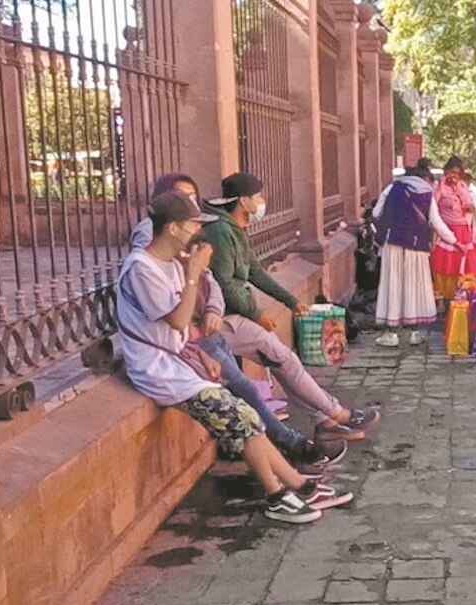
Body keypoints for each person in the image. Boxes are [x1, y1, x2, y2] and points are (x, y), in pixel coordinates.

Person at [117, 192, 352, 524]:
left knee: (246, 413)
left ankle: (298, 486)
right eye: (191, 226)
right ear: (171, 229)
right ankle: (276, 496)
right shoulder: (143, 268)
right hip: (159, 372)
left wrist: (199, 350)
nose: (196, 233)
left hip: (181, 364)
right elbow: (178, 320)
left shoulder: (170, 265)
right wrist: (194, 273)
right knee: (240, 418)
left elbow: (179, 330)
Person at [134, 173, 339, 467]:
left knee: (255, 380)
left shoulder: (199, 232)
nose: (190, 205)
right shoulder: (151, 245)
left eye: (192, 197)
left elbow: (213, 282)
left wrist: (213, 309)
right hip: (181, 343)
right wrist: (203, 289)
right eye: (181, 198)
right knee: (241, 391)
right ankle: (291, 448)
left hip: (207, 326)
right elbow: (180, 310)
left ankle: (311, 435)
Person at [203, 172, 381, 445]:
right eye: (258, 196)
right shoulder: (220, 232)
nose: (262, 202)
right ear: (243, 201)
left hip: (234, 315)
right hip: (220, 320)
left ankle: (325, 421)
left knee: (283, 363)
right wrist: (257, 314)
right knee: (283, 358)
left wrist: (290, 301)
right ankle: (338, 414)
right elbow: (225, 284)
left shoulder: (235, 230)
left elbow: (255, 272)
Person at [373, 162, 455, 347]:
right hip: (417, 246)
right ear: (424, 178)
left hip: (392, 242)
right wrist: (454, 241)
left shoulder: (392, 188)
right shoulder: (427, 195)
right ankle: (414, 333)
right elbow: (436, 222)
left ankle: (392, 334)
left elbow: (377, 212)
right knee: (414, 286)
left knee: (392, 284)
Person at [430, 156, 476, 301]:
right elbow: (433, 208)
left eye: (457, 173)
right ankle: (444, 295)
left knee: (466, 263)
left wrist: (469, 207)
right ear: (446, 171)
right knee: (446, 264)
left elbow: (470, 203)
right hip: (446, 230)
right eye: (451, 172)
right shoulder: (439, 186)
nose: (454, 176)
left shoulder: (462, 186)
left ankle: (463, 293)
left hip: (463, 229)